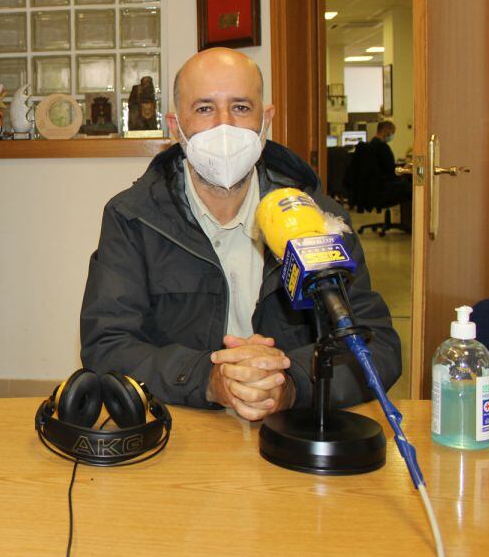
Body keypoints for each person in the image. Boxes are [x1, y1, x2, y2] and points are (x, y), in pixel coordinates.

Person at [80, 48, 401, 421]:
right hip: (184, 426)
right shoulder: (133, 218)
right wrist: (209, 378)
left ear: (266, 120)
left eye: (241, 107)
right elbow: (107, 344)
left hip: (294, 426)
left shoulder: (318, 218)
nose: (224, 126)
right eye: (204, 109)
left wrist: (291, 382)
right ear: (175, 126)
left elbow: (377, 344)